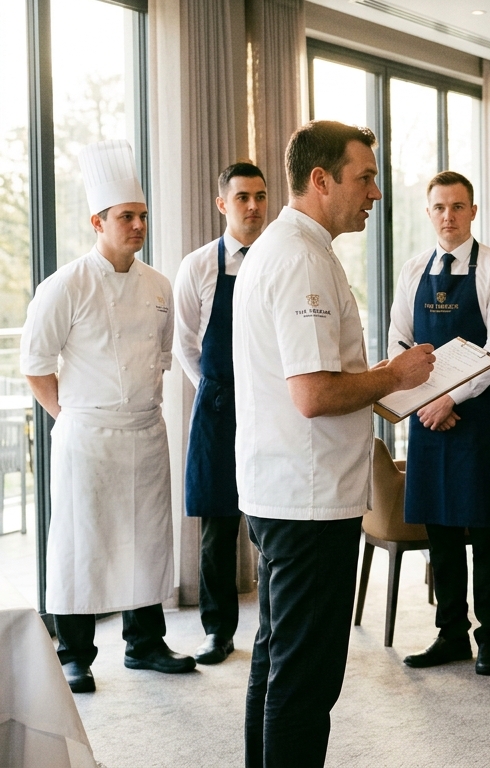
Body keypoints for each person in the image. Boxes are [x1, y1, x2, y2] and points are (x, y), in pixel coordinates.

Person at [234, 120, 435, 767]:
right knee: (306, 680)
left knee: (277, 658)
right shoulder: (302, 259)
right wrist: (394, 377)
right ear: (321, 180)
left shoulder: (289, 247)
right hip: (308, 500)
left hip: (286, 488)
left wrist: (381, 388)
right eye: (366, 177)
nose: (376, 192)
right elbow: (314, 394)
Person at [22, 139, 196, 694]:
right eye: (127, 217)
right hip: (88, 436)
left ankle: (144, 643)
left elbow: (163, 360)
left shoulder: (159, 287)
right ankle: (74, 653)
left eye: (142, 216)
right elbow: (35, 365)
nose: (138, 225)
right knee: (81, 544)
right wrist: (69, 415)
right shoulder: (64, 287)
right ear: (98, 221)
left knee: (147, 540)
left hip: (145, 432)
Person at [388, 170, 490, 674]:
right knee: (440, 535)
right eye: (439, 207)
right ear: (428, 213)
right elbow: (400, 339)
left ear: (473, 212)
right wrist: (423, 400)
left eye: (458, 206)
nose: (448, 216)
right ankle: (451, 634)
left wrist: (450, 396)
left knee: (484, 536)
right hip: (426, 417)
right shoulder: (414, 268)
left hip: (477, 418)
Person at [173, 161, 269, 666]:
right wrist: (214, 389)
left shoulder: (278, 259)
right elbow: (186, 342)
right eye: (242, 198)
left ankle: (272, 630)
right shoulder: (198, 266)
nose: (253, 206)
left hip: (271, 406)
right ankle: (217, 630)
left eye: (260, 196)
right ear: (222, 205)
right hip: (217, 409)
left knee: (269, 521)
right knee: (217, 528)